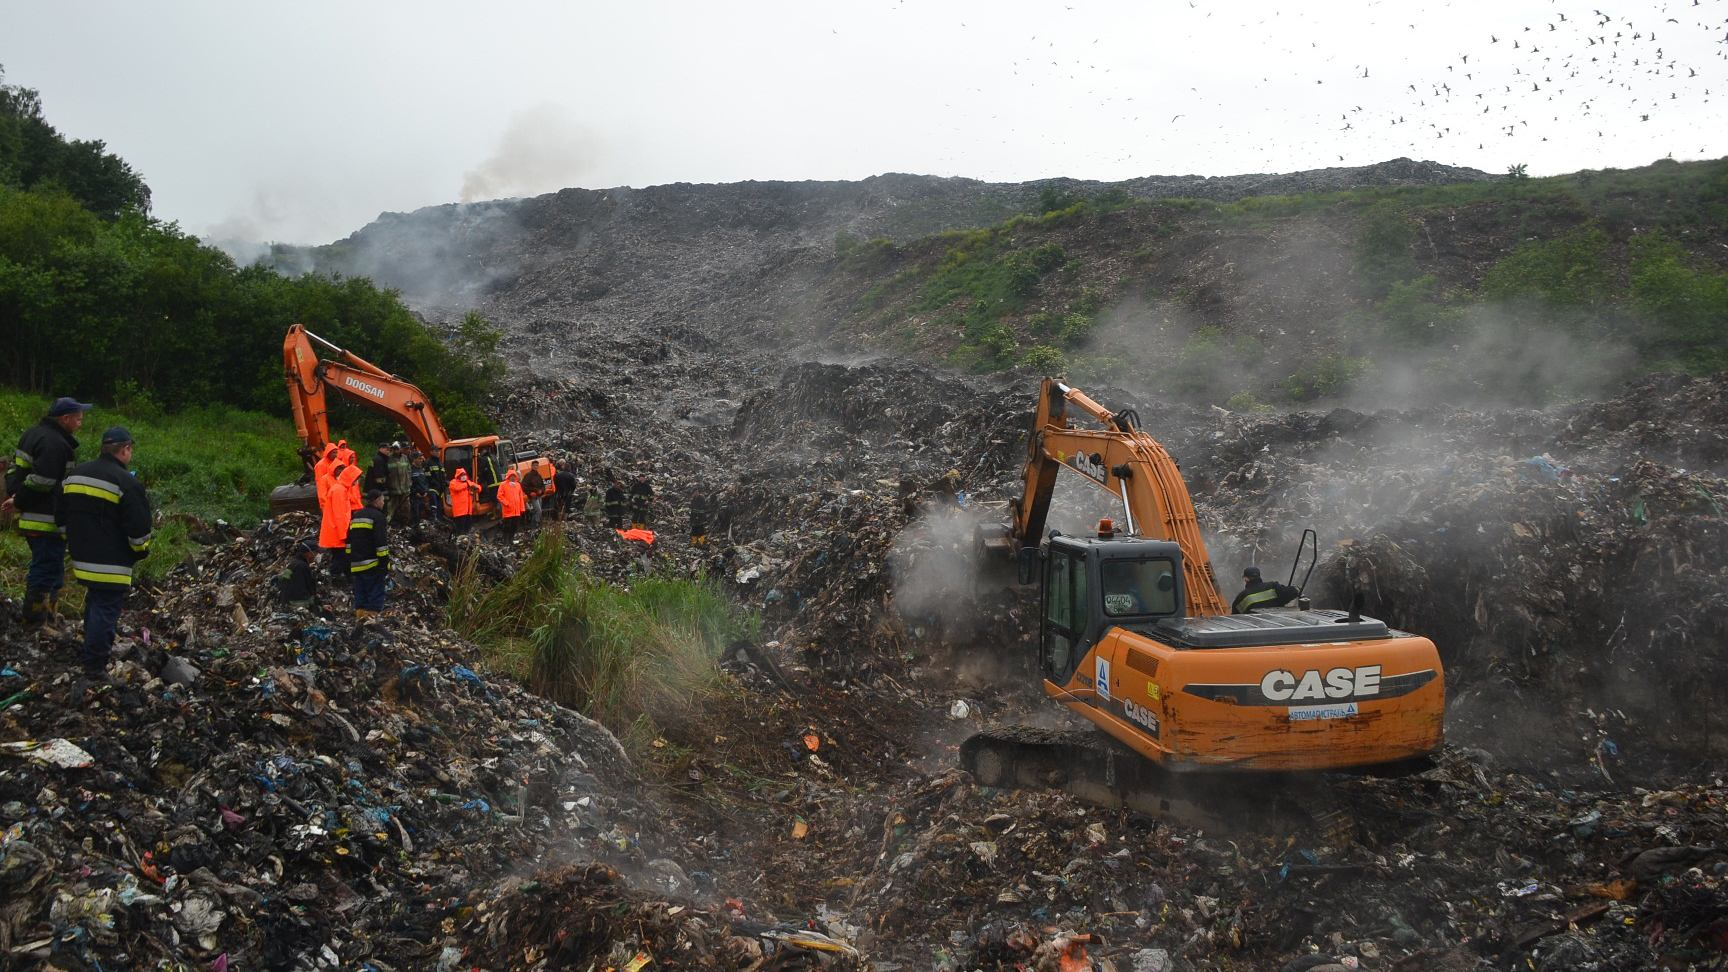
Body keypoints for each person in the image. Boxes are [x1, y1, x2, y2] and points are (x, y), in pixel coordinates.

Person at [58, 426, 152, 678]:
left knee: (95, 601)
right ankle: (95, 667)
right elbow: (139, 528)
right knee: (106, 608)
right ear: (125, 450)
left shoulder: (76, 475)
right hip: (112, 561)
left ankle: (90, 651)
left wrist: (72, 539)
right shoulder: (127, 482)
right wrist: (140, 551)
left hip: (81, 556)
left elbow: (60, 514)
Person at [4, 396, 91, 626]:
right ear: (65, 419)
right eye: (78, 419)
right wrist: (19, 499)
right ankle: (34, 620)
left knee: (53, 570)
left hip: (37, 519)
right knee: (44, 571)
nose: (80, 424)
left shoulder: (33, 434)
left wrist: (15, 495)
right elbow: (43, 480)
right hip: (46, 521)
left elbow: (15, 471)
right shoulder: (55, 443)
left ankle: (50, 615)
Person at [347, 489, 390, 618]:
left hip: (356, 563)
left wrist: (350, 557)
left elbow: (349, 540)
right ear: (376, 501)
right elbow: (380, 542)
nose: (383, 503)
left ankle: (360, 616)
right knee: (375, 592)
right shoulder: (378, 517)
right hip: (372, 563)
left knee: (360, 592)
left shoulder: (356, 516)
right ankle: (372, 618)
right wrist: (384, 563)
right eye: (382, 500)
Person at [319, 463, 353, 577]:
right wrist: (344, 534)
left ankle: (344, 578)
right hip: (337, 533)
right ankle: (334, 579)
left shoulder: (339, 488)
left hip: (335, 531)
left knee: (342, 557)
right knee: (340, 558)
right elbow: (340, 515)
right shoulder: (339, 491)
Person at [1231, 565, 1300, 614]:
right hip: (1278, 625)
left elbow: (1236, 617)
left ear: (1245, 578)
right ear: (1259, 576)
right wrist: (1297, 589)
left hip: (1257, 631)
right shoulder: (1273, 586)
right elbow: (1290, 593)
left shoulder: (1242, 597)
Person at [278, 538, 320, 611]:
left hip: (286, 602)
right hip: (297, 605)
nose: (316, 555)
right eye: (315, 553)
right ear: (308, 553)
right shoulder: (302, 566)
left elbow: (283, 581)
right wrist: (317, 606)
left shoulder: (293, 563)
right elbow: (305, 589)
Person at [386, 444, 414, 526]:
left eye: (397, 449)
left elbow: (409, 471)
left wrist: (409, 482)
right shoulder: (389, 459)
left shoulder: (405, 458)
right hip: (394, 488)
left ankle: (405, 523)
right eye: (394, 449)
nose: (395, 451)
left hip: (405, 488)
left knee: (406, 507)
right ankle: (390, 523)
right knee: (391, 507)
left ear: (400, 449)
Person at [497, 469, 526, 541]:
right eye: (511, 476)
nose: (513, 477)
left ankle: (511, 540)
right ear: (508, 476)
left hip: (517, 511)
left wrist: (522, 508)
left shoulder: (518, 485)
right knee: (507, 527)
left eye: (514, 476)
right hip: (508, 511)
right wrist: (507, 503)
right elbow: (499, 496)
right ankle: (506, 541)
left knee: (514, 527)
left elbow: (521, 498)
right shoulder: (503, 484)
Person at [448, 467, 475, 534]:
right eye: (462, 474)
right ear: (458, 475)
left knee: (467, 529)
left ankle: (465, 540)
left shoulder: (468, 482)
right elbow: (457, 488)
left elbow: (478, 487)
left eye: (464, 474)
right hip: (459, 512)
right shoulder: (453, 482)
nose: (464, 476)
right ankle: (459, 540)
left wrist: (475, 488)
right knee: (460, 529)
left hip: (468, 511)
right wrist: (467, 485)